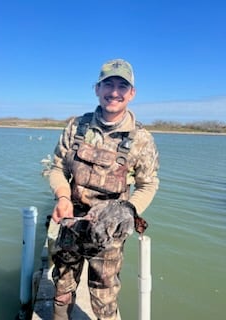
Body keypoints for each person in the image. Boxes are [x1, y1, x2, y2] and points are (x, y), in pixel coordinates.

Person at [49, 58, 159, 320]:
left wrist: (129, 209)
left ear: (131, 93)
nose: (114, 92)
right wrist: (63, 196)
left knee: (104, 296)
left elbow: (149, 183)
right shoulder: (76, 127)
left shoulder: (141, 139)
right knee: (62, 287)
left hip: (110, 230)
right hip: (71, 222)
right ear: (96, 88)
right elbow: (56, 169)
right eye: (108, 84)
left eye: (122, 86)